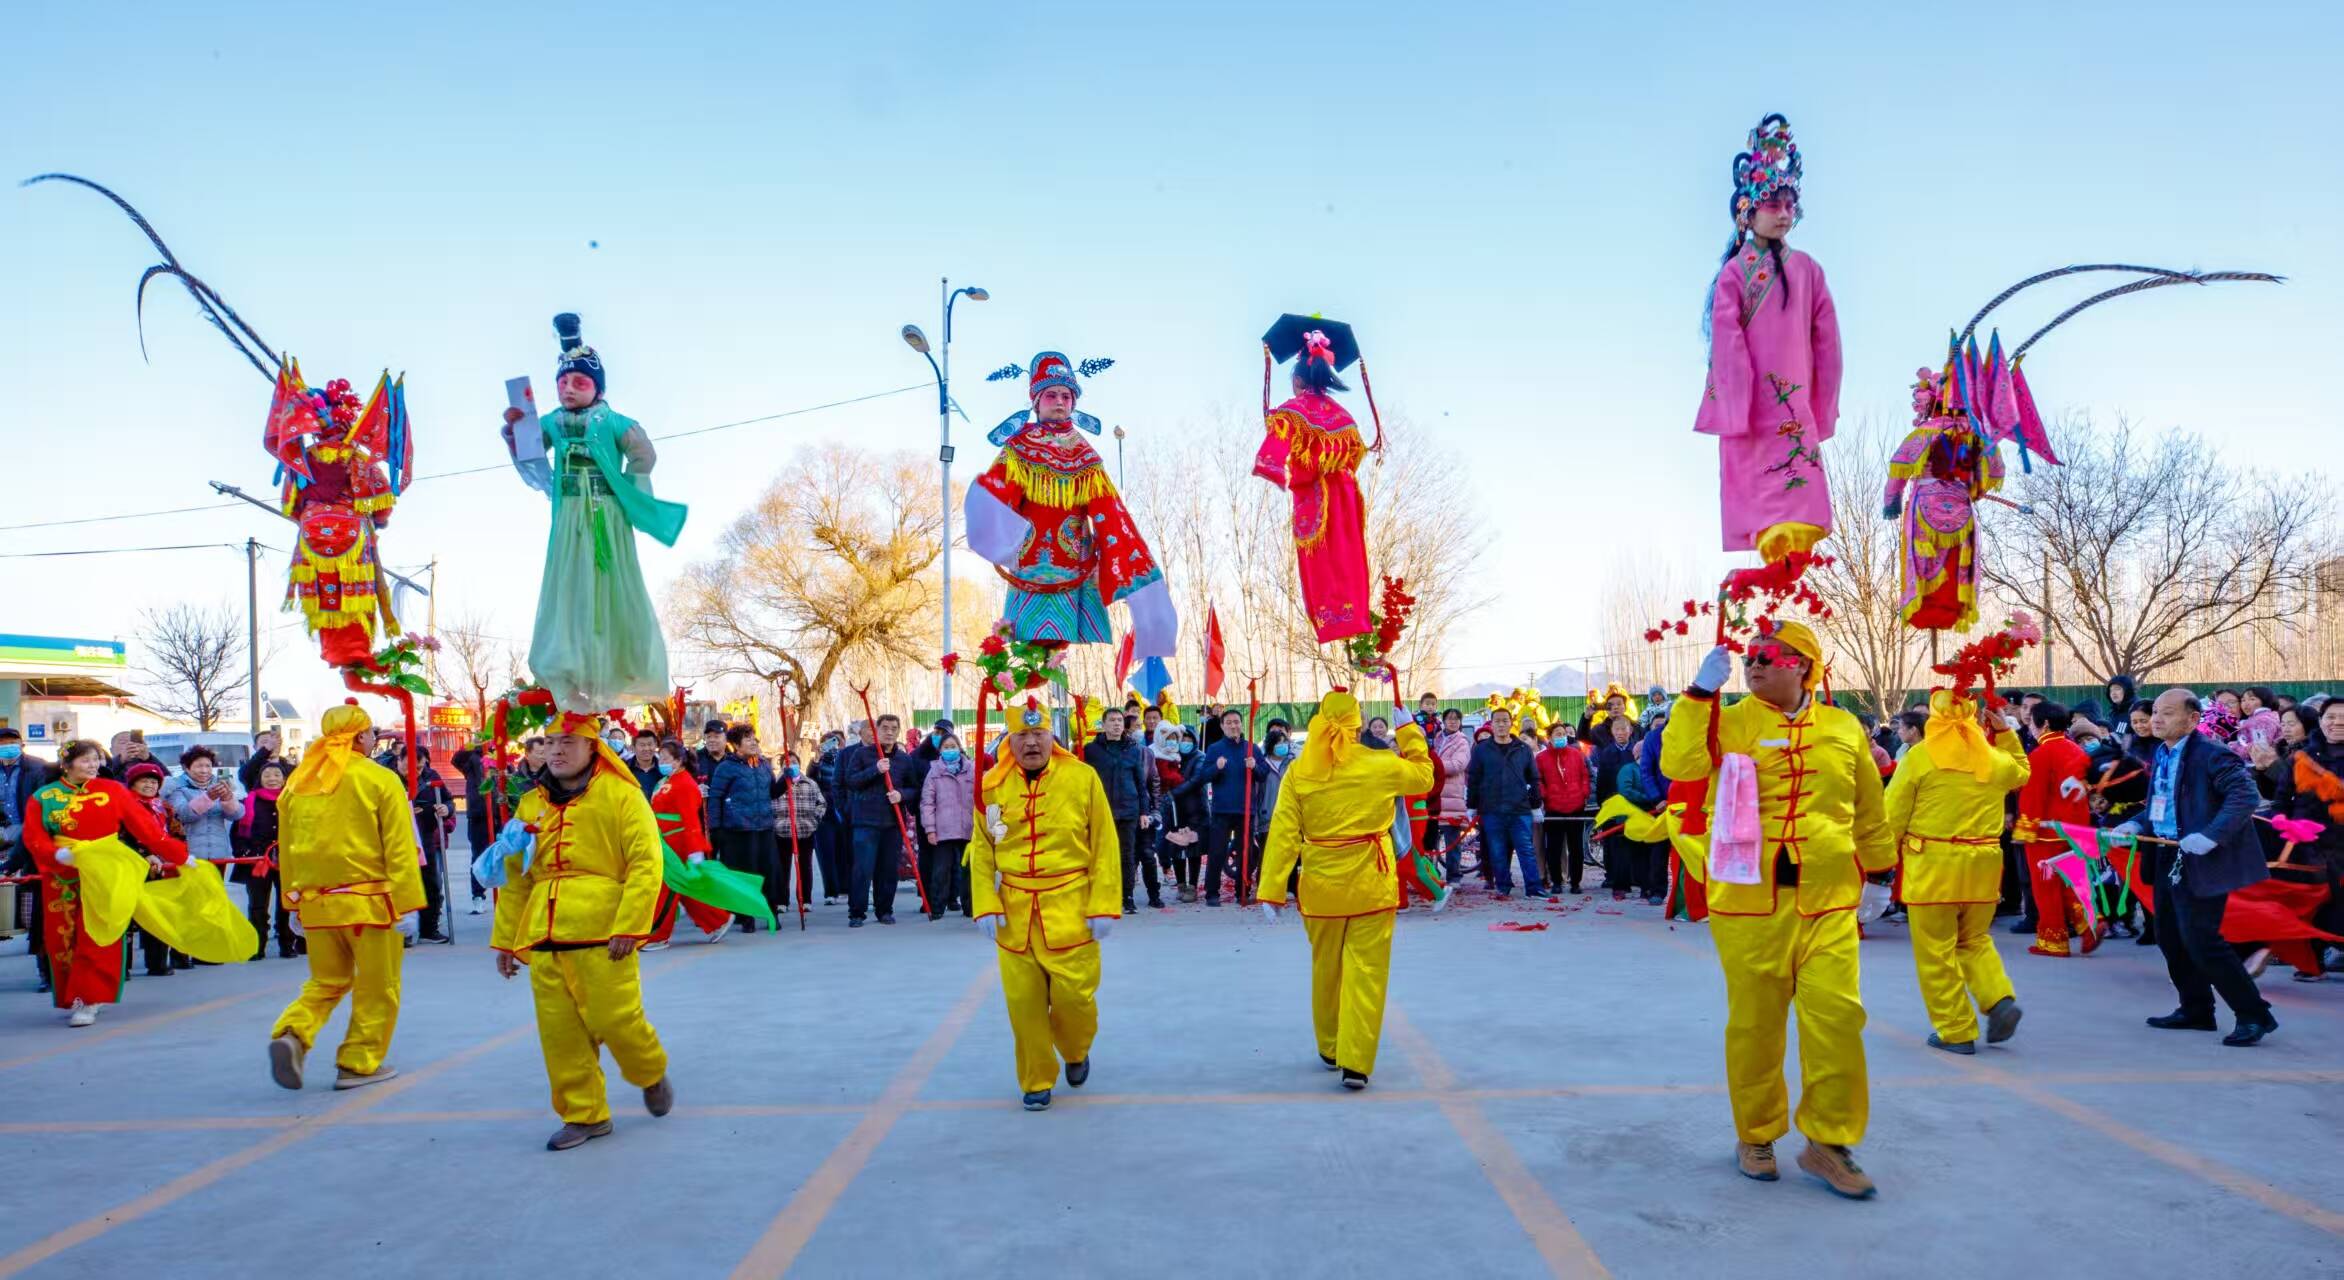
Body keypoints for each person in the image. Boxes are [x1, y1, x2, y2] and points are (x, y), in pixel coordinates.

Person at [1662, 624, 1892, 1199]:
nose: (1753, 665)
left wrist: (1882, 873)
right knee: (1756, 1027)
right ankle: (1756, 1134)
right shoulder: (1730, 720)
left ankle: (1829, 1142)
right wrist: (1697, 695)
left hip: (1829, 897)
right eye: (1748, 657)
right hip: (1749, 903)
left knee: (1838, 1018)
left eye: (1767, 657)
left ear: (1803, 666)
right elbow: (1681, 765)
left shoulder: (1843, 727)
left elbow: (1867, 805)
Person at [490, 714, 674, 1149]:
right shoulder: (530, 804)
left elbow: (646, 864)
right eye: (550, 742)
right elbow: (517, 875)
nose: (555, 750)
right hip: (544, 935)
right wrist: (506, 940)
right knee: (559, 1033)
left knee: (618, 1021)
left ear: (594, 747)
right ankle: (584, 1114)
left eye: (567, 741)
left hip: (605, 933)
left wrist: (631, 925)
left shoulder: (622, 795)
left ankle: (649, 1071)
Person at [505, 313, 688, 712]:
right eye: (563, 383)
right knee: (569, 585)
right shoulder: (552, 421)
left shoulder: (615, 421)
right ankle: (570, 666)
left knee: (608, 585)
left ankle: (612, 664)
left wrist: (623, 486)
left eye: (579, 382)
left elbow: (644, 454)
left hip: (604, 513)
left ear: (598, 387)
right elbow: (533, 454)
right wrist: (516, 433)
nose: (569, 389)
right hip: (569, 514)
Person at [1257, 691, 1435, 1090]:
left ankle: (1331, 1047)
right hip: (1372, 883)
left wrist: (1271, 889)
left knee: (1326, 968)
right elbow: (1424, 776)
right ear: (1357, 726)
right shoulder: (1381, 763)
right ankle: (1357, 1061)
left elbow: (1284, 832)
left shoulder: (1299, 771)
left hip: (1321, 887)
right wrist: (1407, 727)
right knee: (1367, 972)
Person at [962, 352, 1176, 657]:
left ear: (1074, 402)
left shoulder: (1086, 457)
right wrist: (986, 505)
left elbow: (1111, 515)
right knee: (1028, 652)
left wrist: (1129, 563)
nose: (1060, 401)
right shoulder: (1019, 449)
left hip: (1073, 568)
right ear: (1036, 402)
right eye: (1051, 395)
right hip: (1030, 567)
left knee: (1053, 653)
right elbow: (999, 493)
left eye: (1066, 395)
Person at [1696, 114, 1839, 568]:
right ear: (1748, 212)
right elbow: (1727, 342)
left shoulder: (1809, 271)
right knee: (1770, 488)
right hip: (1757, 404)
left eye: (1788, 204)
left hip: (1788, 403)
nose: (1782, 213)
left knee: (1791, 489)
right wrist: (1738, 403)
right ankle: (1774, 554)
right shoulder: (1736, 274)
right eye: (1772, 204)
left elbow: (1829, 345)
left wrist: (1822, 406)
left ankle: (1788, 556)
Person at [969, 700, 1121, 1111]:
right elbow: (982, 849)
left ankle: (1075, 1048)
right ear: (1009, 740)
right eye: (1022, 735)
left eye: (1039, 734)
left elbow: (1105, 843)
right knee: (1024, 1007)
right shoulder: (991, 786)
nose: (1032, 743)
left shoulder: (1082, 777)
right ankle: (1036, 1078)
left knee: (1076, 1000)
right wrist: (985, 902)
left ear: (1052, 736)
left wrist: (1104, 904)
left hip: (1071, 908)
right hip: (1014, 914)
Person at [267, 704, 424, 1086]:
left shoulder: (298, 783)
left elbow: (286, 848)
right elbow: (400, 848)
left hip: (316, 903)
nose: (373, 740)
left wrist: (292, 902)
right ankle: (359, 1062)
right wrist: (408, 903)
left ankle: (294, 1031)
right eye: (370, 733)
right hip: (371, 903)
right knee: (377, 987)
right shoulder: (379, 778)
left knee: (325, 982)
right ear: (360, 737)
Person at [2112, 689, 2277, 1046]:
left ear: (2192, 719)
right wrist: (2136, 825)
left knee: (2203, 941)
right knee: (2170, 938)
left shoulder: (2213, 754)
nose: (2157, 719)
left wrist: (2211, 835)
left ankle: (2254, 1014)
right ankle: (2196, 1009)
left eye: (2167, 713)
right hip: (2169, 855)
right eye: (2155, 711)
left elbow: (2244, 796)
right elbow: (2162, 805)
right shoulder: (2164, 752)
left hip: (2203, 856)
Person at [1884, 691, 2030, 1055]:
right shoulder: (1992, 758)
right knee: (1975, 940)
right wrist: (2006, 735)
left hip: (1933, 865)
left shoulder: (1919, 758)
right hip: (1983, 864)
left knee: (1937, 952)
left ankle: (1955, 1029)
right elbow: (2022, 773)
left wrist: (1880, 863)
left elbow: (1893, 815)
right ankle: (1998, 999)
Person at [25, 740, 193, 1026]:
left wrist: (179, 855)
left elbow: (145, 828)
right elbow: (33, 837)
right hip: (63, 873)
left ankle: (90, 998)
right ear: (67, 764)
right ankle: (73, 994)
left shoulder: (113, 790)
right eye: (85, 760)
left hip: (105, 871)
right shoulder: (44, 796)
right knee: (64, 936)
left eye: (96, 759)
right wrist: (56, 854)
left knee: (99, 933)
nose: (93, 765)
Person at [1254, 317, 1379, 642]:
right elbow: (1354, 455)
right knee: (1347, 563)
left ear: (1297, 380)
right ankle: (1353, 619)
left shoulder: (1294, 411)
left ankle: (1334, 620)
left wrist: (1272, 467)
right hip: (1346, 503)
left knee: (1322, 570)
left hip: (1317, 499)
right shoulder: (1345, 418)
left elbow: (1275, 450)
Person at [2015, 701, 2096, 957]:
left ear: (2045, 724)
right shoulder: (2075, 749)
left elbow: (2032, 797)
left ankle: (2053, 940)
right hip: (2075, 830)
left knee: (2046, 886)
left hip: (2046, 833)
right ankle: (2089, 925)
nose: (2030, 727)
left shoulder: (2041, 754)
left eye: (2031, 722)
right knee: (2072, 881)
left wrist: (2025, 830)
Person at [643, 739, 732, 951]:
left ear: (679, 760)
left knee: (667, 888)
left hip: (678, 843)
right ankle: (717, 920)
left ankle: (658, 935)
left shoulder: (684, 783)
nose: (661, 761)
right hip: (663, 841)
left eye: (667, 758)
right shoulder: (666, 780)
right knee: (683, 887)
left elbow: (691, 819)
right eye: (661, 757)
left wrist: (694, 850)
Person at [1178, 708, 1268, 906]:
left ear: (1242, 724)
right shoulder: (1215, 749)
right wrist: (1216, 767)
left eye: (1236, 722)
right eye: (1229, 723)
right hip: (1221, 810)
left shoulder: (1252, 748)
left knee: (1245, 852)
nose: (1233, 726)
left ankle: (1242, 891)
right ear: (1222, 726)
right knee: (1217, 852)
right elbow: (1204, 776)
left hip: (1246, 810)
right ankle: (1212, 893)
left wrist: (1255, 766)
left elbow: (1263, 774)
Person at [841, 713, 919, 926]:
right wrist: (875, 770)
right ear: (877, 730)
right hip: (865, 821)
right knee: (862, 869)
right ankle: (856, 912)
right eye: (885, 727)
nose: (889, 732)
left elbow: (913, 788)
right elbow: (851, 781)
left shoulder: (904, 759)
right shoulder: (862, 755)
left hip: (892, 823)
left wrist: (901, 795)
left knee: (888, 870)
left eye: (894, 728)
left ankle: (884, 910)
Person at [1082, 708, 1160, 912]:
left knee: (1127, 855)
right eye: (1112, 720)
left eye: (1119, 720)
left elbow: (1141, 783)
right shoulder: (1091, 751)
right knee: (1101, 854)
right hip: (1102, 810)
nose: (1116, 724)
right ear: (1104, 724)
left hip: (1129, 809)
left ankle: (1127, 897)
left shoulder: (1133, 749)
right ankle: (1103, 894)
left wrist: (1145, 811)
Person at [707, 726, 782, 933]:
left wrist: (786, 780)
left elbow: (773, 792)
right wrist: (716, 828)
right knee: (745, 874)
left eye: (754, 739)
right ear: (736, 745)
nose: (753, 743)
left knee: (769, 873)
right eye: (747, 740)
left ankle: (772, 913)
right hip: (738, 829)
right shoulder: (727, 768)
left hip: (764, 827)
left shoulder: (764, 765)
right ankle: (746, 916)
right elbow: (715, 798)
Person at [1467, 708, 1545, 900]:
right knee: (1497, 851)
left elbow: (1533, 779)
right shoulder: (1482, 749)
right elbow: (1474, 778)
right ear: (1491, 724)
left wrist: (1535, 806)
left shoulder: (1523, 749)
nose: (1501, 725)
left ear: (1511, 723)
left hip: (1519, 809)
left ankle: (1534, 887)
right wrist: (1472, 805)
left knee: (1526, 849)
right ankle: (1503, 885)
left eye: (1505, 721)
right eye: (1497, 721)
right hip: (1491, 809)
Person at [233, 760, 297, 960]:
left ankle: (287, 944)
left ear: (284, 779)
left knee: (286, 903)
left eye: (277, 775)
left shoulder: (292, 801)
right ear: (259, 779)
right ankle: (257, 945)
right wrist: (245, 852)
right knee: (257, 905)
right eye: (267, 775)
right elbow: (237, 832)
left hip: (287, 859)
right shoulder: (248, 801)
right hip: (257, 860)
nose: (272, 779)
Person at [919, 733, 975, 922]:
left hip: (968, 829)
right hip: (943, 830)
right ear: (940, 750)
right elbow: (927, 803)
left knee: (969, 871)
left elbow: (980, 798)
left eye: (953, 746)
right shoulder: (934, 772)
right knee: (941, 871)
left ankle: (971, 906)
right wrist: (930, 829)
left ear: (960, 748)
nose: (950, 750)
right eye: (946, 747)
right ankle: (937, 907)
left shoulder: (971, 769)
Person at [1591, 714, 1644, 900]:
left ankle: (1638, 879)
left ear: (1630, 731)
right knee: (1615, 845)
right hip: (1614, 804)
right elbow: (1602, 781)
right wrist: (1603, 804)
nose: (1621, 733)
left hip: (1637, 804)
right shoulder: (1606, 752)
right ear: (1612, 732)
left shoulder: (1637, 750)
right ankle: (1616, 881)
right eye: (1617, 730)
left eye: (1624, 729)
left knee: (1638, 843)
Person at [1538, 725, 1592, 893]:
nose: (1562, 737)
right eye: (1557, 734)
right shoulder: (1541, 758)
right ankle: (1556, 881)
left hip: (1576, 805)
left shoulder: (1576, 754)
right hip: (1554, 808)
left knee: (1576, 847)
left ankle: (1575, 882)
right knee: (1554, 847)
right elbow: (1538, 780)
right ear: (1550, 737)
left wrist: (1584, 793)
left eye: (1563, 734)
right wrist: (1545, 795)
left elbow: (1585, 775)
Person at [1153, 724, 1203, 901]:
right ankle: (1181, 884)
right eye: (1184, 740)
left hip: (1195, 809)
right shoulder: (1173, 756)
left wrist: (1174, 792)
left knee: (1193, 847)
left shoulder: (1199, 757)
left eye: (1190, 740)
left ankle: (1193, 886)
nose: (1185, 743)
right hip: (1176, 809)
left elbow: (1196, 780)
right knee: (1176, 845)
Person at [774, 750, 826, 917]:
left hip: (805, 831)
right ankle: (782, 901)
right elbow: (768, 803)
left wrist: (814, 821)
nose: (790, 765)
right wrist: (774, 822)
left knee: (805, 867)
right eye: (786, 762)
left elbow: (821, 804)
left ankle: (805, 900)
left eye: (794, 761)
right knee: (782, 868)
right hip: (782, 831)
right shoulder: (776, 785)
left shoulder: (809, 783)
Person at [1429, 708, 1473, 884]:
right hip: (1435, 795)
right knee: (1430, 839)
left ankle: (1454, 875)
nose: (1453, 722)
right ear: (1444, 720)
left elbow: (1458, 765)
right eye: (1449, 718)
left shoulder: (1463, 742)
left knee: (1452, 840)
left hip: (1452, 796)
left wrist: (1433, 766)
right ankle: (1432, 874)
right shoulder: (1438, 738)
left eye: (1456, 719)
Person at [239, 728, 285, 792]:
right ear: (255, 747)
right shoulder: (251, 767)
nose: (272, 744)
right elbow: (244, 774)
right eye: (265, 742)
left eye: (275, 741)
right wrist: (266, 749)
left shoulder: (288, 765)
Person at [627, 729, 663, 801]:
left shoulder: (663, 769)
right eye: (642, 745)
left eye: (650, 744)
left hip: (658, 811)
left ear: (655, 745)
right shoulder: (626, 768)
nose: (646, 748)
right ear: (633, 747)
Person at [690, 720, 729, 784]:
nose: (711, 740)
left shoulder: (733, 760)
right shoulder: (694, 758)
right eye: (708, 737)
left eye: (716, 737)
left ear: (726, 739)